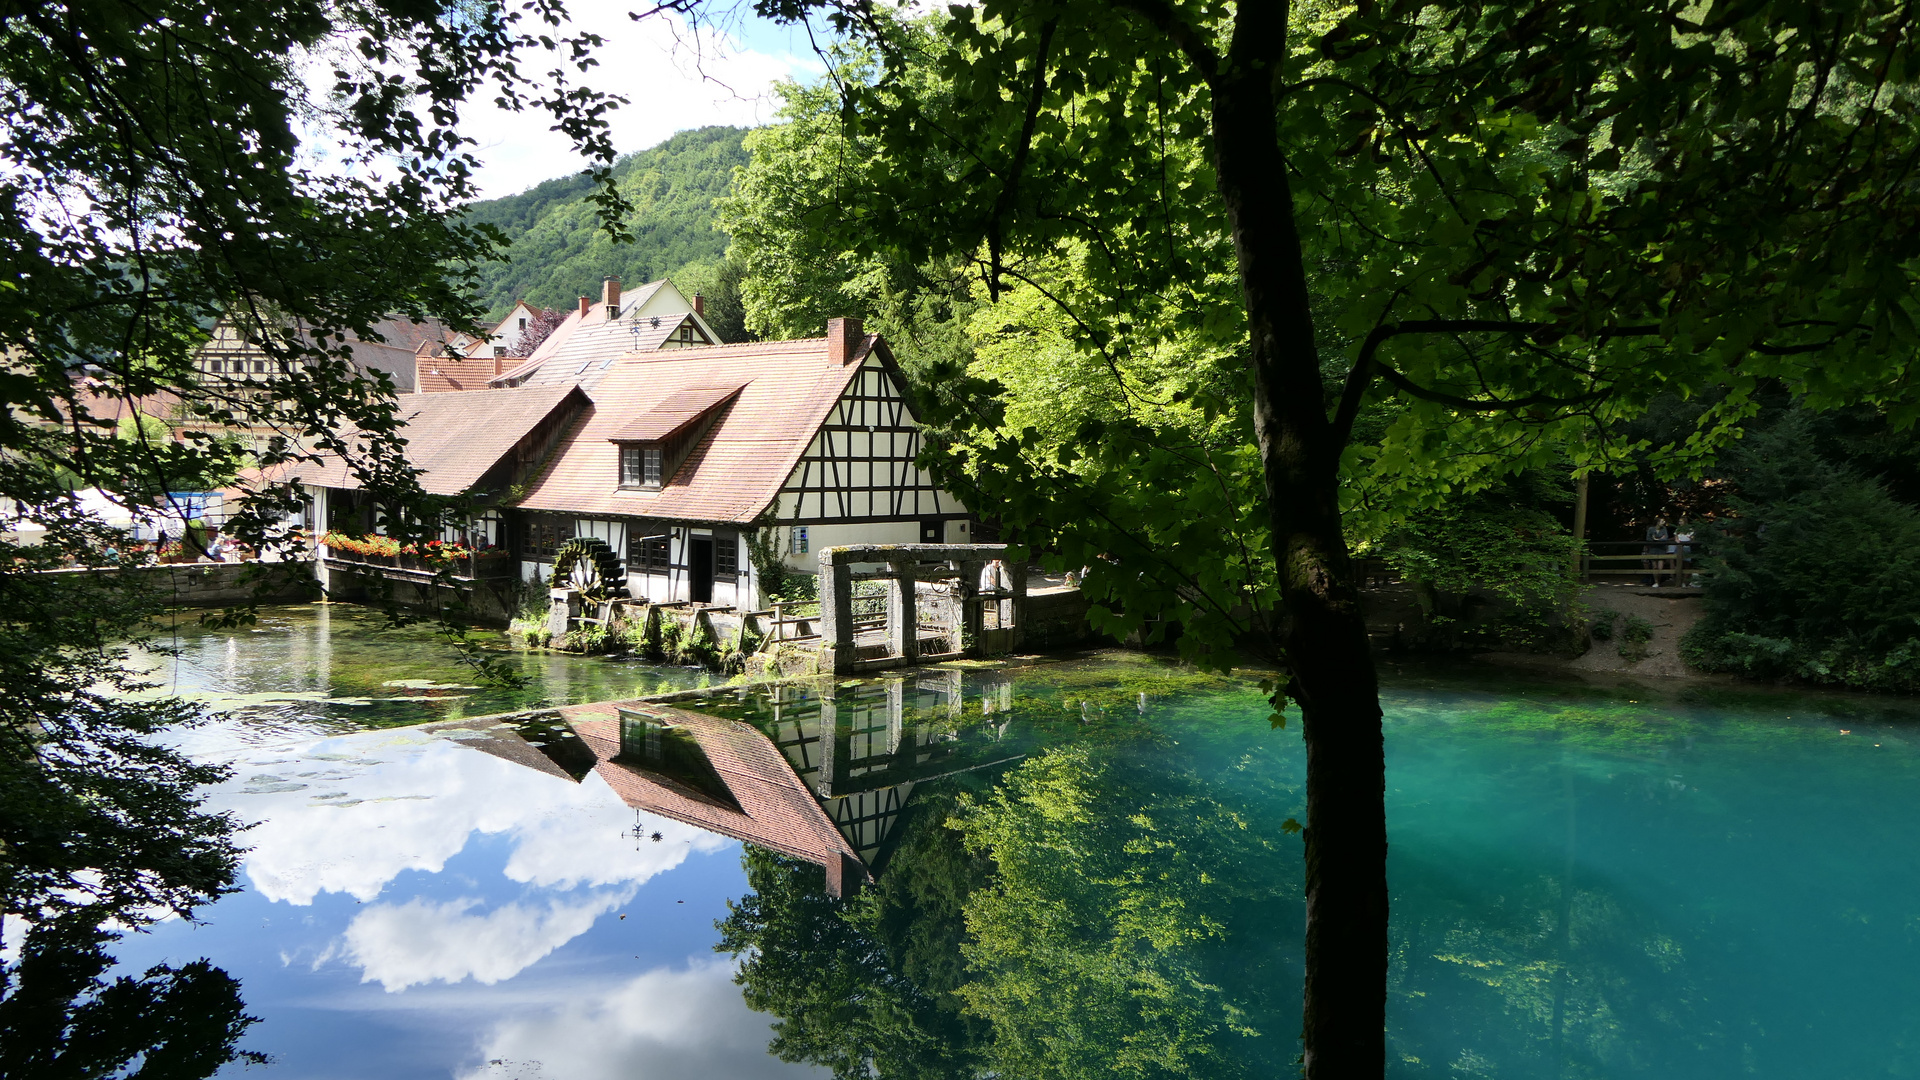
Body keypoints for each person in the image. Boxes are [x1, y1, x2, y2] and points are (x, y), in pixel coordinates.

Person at [1643, 516, 1672, 586]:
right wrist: (1657, 539)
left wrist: (1657, 539)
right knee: (1654, 566)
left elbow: (1666, 538)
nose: (1664, 523)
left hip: (1661, 549)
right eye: (1662, 521)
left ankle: (1658, 581)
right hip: (1653, 549)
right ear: (1658, 522)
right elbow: (1648, 538)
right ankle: (1656, 582)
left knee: (1660, 567)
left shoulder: (1664, 529)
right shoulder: (1651, 529)